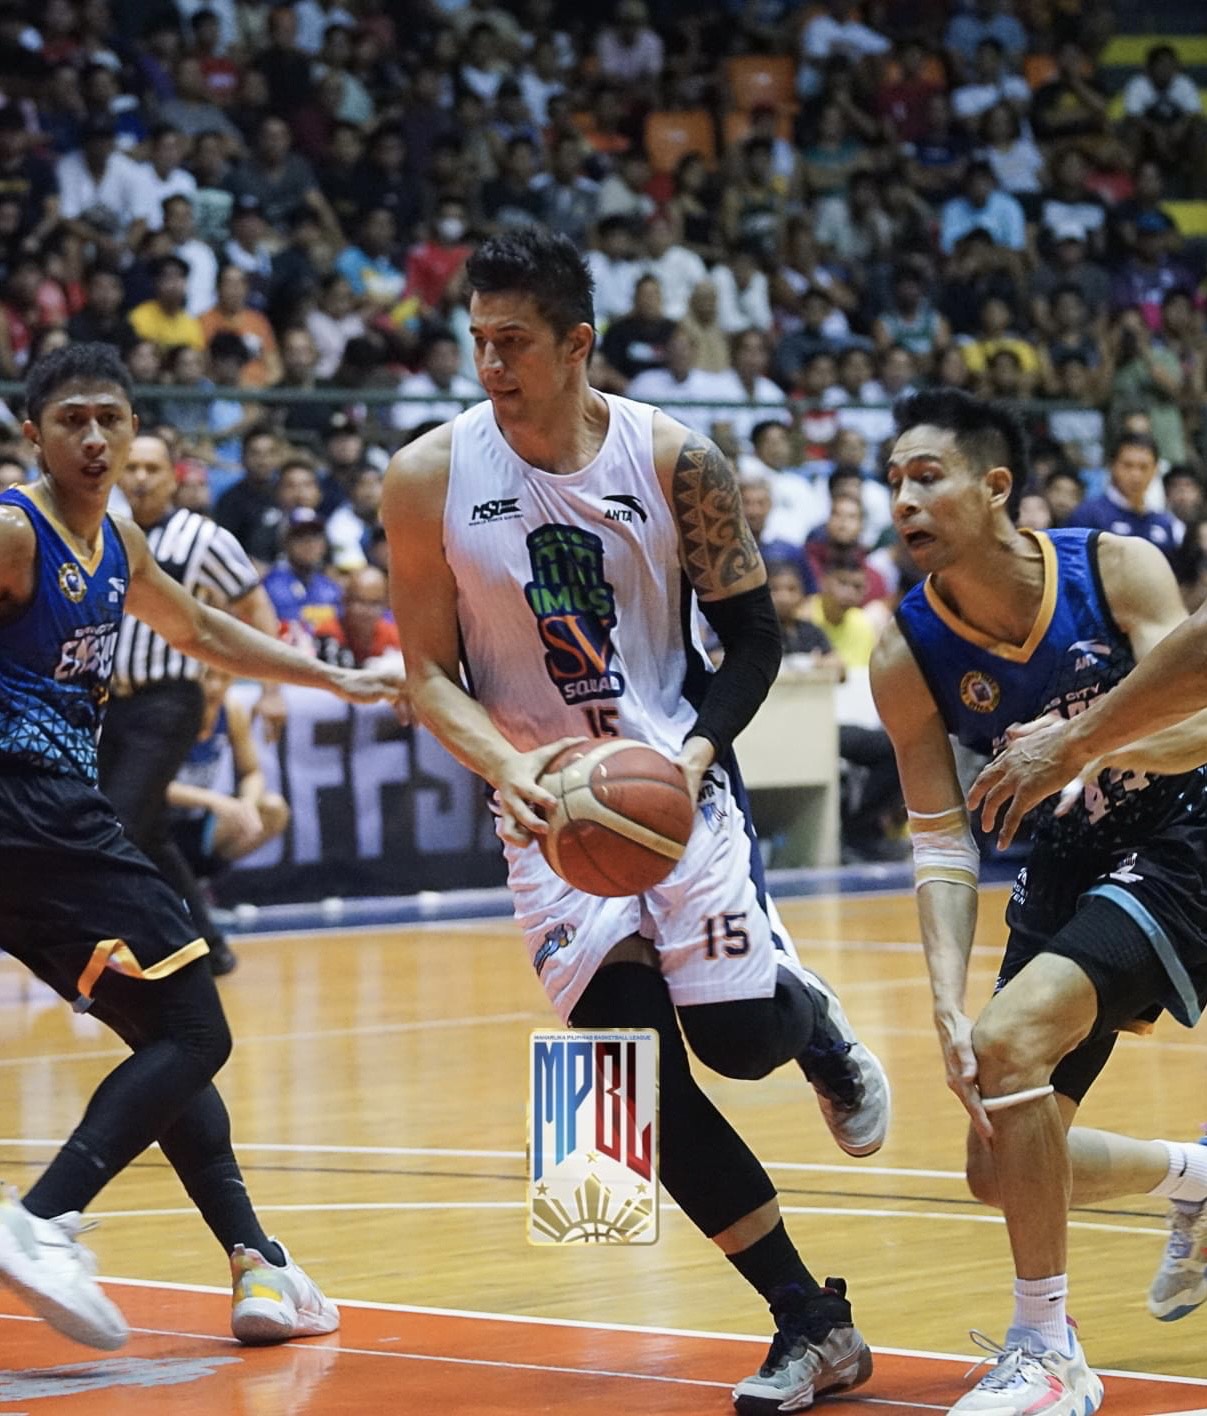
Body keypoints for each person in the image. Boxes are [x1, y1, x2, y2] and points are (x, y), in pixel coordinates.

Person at [381, 227, 890, 1413]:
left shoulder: (674, 460)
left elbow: (755, 636)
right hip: (545, 815)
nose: (490, 364)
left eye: (514, 343)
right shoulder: (425, 475)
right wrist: (505, 768)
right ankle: (810, 1323)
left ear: (577, 346)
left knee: (738, 1048)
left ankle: (806, 1024)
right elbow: (425, 672)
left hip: (675, 784)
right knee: (628, 1088)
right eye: (477, 342)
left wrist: (697, 752)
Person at [0, 343, 405, 1352]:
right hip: (34, 808)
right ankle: (41, 1220)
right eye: (71, 420)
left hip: (34, 834)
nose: (94, 438)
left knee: (163, 1034)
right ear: (30, 436)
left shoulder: (120, 544)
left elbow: (204, 633)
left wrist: (336, 678)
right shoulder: (14, 531)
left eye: (111, 419)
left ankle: (257, 1266)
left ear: (137, 432)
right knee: (198, 1030)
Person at [869, 388, 1207, 1416]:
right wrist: (939, 998)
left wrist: (1079, 741)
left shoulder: (1114, 569)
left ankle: (1047, 1349)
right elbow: (939, 839)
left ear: (994, 486)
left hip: (1184, 825)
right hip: (1072, 850)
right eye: (892, 481)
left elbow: (1200, 724)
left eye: (925, 475)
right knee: (993, 1162)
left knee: (1014, 1042)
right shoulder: (905, 650)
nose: (903, 499)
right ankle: (1192, 1175)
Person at [101, 431, 285, 977]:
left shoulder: (201, 537)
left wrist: (269, 690)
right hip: (109, 703)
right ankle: (210, 945)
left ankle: (149, 948)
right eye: (130, 467)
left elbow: (256, 605)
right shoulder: (104, 531)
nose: (139, 477)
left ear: (173, 475)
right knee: (150, 832)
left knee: (119, 825)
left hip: (169, 698)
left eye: (151, 468)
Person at [167, 665, 290, 878]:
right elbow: (152, 786)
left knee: (273, 810)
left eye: (224, 677)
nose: (216, 686)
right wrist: (213, 800)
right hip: (155, 821)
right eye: (208, 677)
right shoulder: (169, 710)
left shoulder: (231, 711)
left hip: (197, 821)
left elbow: (252, 772)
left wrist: (247, 805)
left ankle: (202, 881)